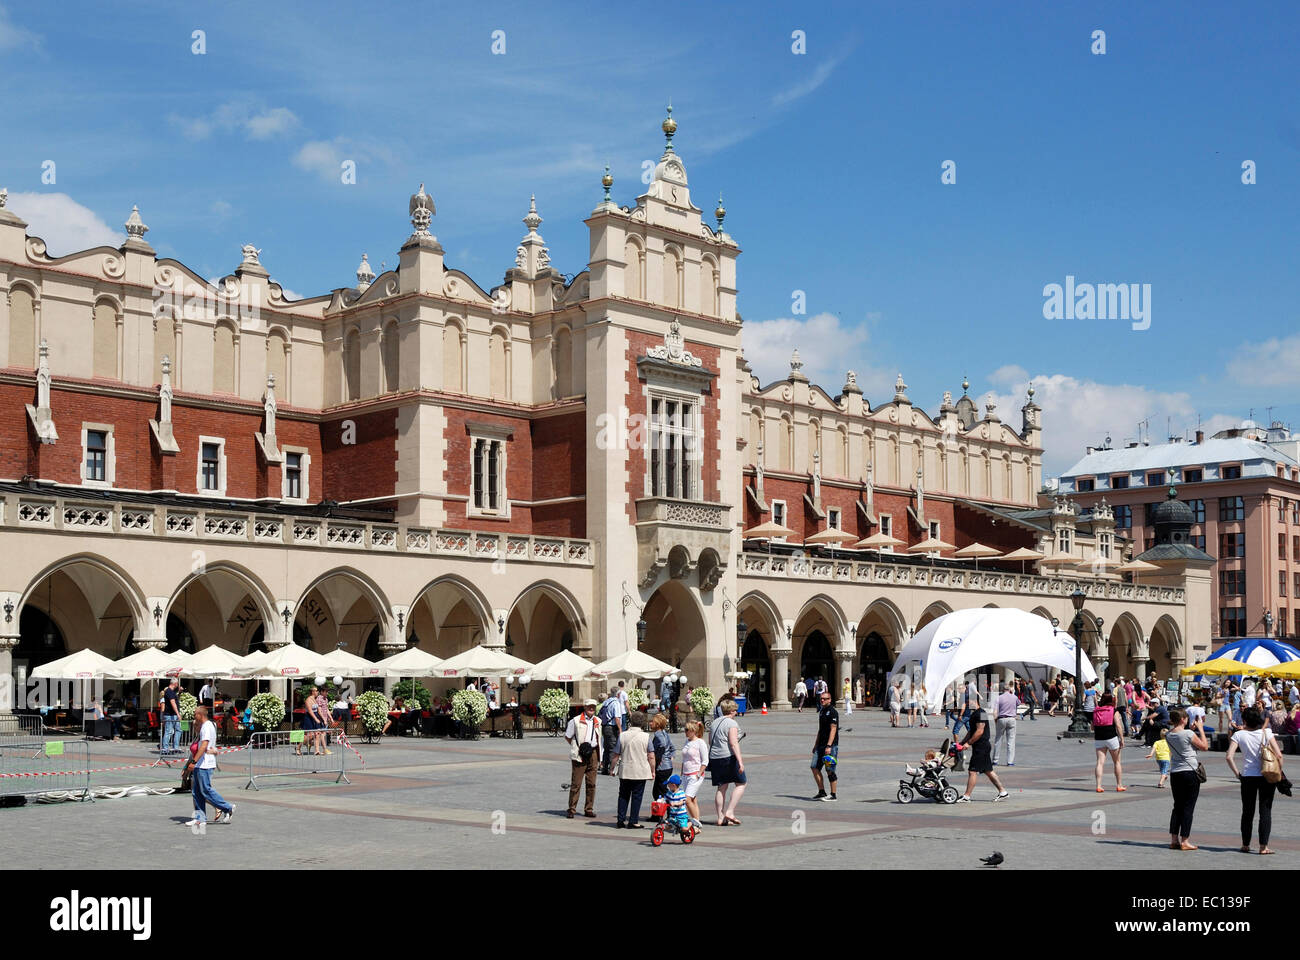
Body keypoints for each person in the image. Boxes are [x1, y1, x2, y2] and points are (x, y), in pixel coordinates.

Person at [1226, 706, 1286, 854]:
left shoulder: (1239, 735)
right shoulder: (1267, 733)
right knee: (1265, 811)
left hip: (1247, 776)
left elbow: (1229, 756)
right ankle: (1263, 847)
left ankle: (1245, 844)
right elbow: (1279, 755)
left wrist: (1237, 773)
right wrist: (1278, 772)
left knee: (1247, 811)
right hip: (1266, 776)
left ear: (1245, 720)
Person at [1164, 708, 1208, 851]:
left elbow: (1181, 736)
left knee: (1177, 806)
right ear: (1183, 719)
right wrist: (1200, 729)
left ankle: (1173, 839)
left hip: (1175, 772)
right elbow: (1204, 747)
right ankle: (1185, 841)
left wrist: (1191, 729)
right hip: (1190, 772)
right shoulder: (1189, 733)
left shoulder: (1168, 734)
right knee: (1188, 807)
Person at [185, 705, 234, 826]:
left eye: (195, 713)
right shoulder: (207, 726)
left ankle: (227, 807)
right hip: (201, 764)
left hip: (204, 764)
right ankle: (200, 818)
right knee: (197, 792)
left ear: (200, 715)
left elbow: (204, 746)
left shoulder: (206, 726)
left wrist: (194, 762)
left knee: (206, 790)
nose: (194, 716)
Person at [956, 691, 1008, 802]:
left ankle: (967, 796)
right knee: (988, 770)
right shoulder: (975, 713)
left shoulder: (981, 713)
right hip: (981, 746)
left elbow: (980, 731)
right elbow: (971, 731)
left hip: (982, 746)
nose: (967, 704)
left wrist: (968, 743)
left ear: (975, 701)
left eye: (968, 702)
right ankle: (1003, 792)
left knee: (972, 771)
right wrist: (962, 742)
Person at [611, 711, 655, 829]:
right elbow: (651, 755)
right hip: (640, 770)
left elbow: (616, 754)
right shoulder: (646, 737)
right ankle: (633, 820)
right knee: (637, 796)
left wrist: (612, 768)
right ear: (642, 723)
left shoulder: (623, 735)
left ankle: (620, 820)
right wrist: (653, 770)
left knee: (623, 795)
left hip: (625, 769)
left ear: (631, 721)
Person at [709, 698, 746, 825]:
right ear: (730, 711)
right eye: (735, 710)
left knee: (722, 787)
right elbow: (733, 743)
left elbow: (710, 741)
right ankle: (730, 811)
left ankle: (720, 817)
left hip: (714, 757)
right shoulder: (732, 724)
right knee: (741, 783)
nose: (736, 712)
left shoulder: (714, 723)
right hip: (727, 757)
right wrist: (740, 761)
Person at [563, 698, 601, 819]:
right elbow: (568, 736)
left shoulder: (598, 721)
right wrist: (577, 746)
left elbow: (600, 738)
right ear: (584, 707)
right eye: (589, 706)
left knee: (591, 783)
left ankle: (589, 808)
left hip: (593, 752)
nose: (591, 709)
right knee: (576, 783)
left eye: (593, 707)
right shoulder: (575, 721)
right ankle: (571, 809)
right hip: (580, 752)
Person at [1092, 693, 1125, 793]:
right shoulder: (1114, 711)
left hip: (1099, 738)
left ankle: (1098, 785)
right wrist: (1122, 738)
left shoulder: (1096, 711)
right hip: (1111, 738)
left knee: (1100, 763)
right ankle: (1119, 785)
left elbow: (1092, 727)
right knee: (1117, 762)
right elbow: (1118, 726)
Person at [811, 688, 839, 801]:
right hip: (820, 745)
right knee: (814, 767)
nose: (822, 700)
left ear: (830, 700)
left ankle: (833, 794)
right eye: (821, 698)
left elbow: (833, 729)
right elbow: (820, 730)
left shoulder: (833, 712)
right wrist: (815, 744)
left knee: (830, 769)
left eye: (825, 699)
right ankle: (821, 791)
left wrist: (829, 746)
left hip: (830, 746)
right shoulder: (822, 711)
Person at [680, 720, 707, 829]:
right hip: (686, 774)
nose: (685, 732)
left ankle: (696, 823)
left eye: (687, 730)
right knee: (693, 799)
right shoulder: (687, 742)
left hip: (695, 774)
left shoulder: (700, 742)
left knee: (687, 799)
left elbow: (705, 760)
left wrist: (699, 774)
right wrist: (682, 773)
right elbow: (684, 759)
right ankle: (697, 821)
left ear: (693, 731)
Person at [649, 712, 676, 818]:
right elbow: (672, 747)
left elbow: (663, 745)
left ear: (658, 724)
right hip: (667, 766)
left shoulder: (659, 734)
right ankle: (658, 814)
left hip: (662, 767)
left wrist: (658, 758)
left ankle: (668, 812)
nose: (650, 724)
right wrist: (670, 756)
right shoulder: (664, 733)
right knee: (657, 791)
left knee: (661, 791)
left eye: (652, 722)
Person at [597, 689, 623, 774]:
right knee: (612, 748)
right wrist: (620, 729)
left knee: (606, 748)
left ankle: (605, 768)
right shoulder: (616, 703)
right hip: (612, 727)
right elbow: (617, 718)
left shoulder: (606, 701)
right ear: (618, 695)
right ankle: (611, 769)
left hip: (604, 726)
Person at [992, 683, 1018, 767]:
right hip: (1012, 719)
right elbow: (1019, 703)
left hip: (1001, 718)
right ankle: (1010, 761)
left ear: (1002, 689)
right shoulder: (1014, 697)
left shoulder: (999, 698)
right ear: (1009, 689)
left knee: (998, 739)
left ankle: (995, 760)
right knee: (1011, 741)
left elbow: (995, 711)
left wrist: (995, 720)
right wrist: (1013, 693)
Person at [161, 678, 182, 756]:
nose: (177, 685)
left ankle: (175, 747)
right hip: (170, 715)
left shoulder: (172, 692)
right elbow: (173, 703)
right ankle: (165, 749)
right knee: (169, 731)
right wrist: (178, 714)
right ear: (175, 683)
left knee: (179, 730)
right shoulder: (169, 692)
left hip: (173, 715)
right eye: (177, 684)